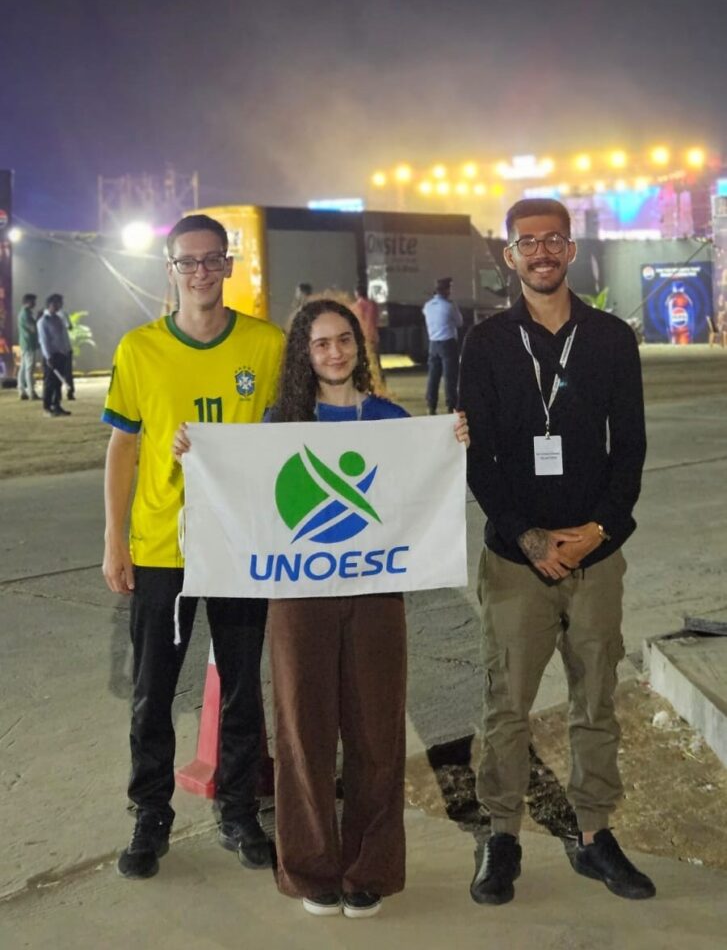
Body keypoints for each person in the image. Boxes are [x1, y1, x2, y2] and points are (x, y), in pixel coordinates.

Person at [173, 298, 469, 919]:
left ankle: (370, 870)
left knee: (376, 734)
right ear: (304, 355)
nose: (335, 352)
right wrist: (195, 454)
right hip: (298, 599)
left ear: (360, 347)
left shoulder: (388, 418)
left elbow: (420, 490)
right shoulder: (281, 424)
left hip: (375, 596)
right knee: (302, 733)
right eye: (321, 343)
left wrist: (450, 444)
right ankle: (310, 868)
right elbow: (241, 489)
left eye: (344, 340)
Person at [459, 197, 655, 906]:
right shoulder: (486, 343)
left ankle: (595, 833)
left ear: (571, 250)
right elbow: (477, 457)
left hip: (595, 555)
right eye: (526, 242)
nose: (540, 252)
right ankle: (501, 835)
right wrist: (529, 538)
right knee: (506, 704)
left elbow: (629, 447)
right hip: (518, 561)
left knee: (594, 698)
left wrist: (599, 530)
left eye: (552, 240)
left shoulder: (609, 338)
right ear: (508, 256)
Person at [102, 213, 285, 880]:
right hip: (161, 546)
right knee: (153, 691)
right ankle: (150, 814)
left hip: (239, 546)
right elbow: (123, 448)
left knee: (241, 689)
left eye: (212, 260)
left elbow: (295, 434)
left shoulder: (266, 345)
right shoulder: (139, 349)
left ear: (228, 265)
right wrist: (114, 539)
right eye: (188, 261)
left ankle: (238, 811)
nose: (201, 272)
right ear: (170, 269)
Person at [422, 276, 463, 414]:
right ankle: (451, 405)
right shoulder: (449, 306)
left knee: (433, 376)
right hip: (448, 343)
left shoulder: (427, 306)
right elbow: (459, 322)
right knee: (450, 376)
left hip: (433, 344)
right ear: (446, 290)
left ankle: (431, 405)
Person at [37, 293, 72, 417]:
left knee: (58, 383)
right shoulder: (43, 321)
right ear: (50, 304)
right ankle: (47, 408)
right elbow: (44, 340)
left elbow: (63, 337)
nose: (59, 306)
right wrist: (48, 356)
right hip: (51, 356)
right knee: (49, 383)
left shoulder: (58, 319)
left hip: (61, 354)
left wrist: (66, 350)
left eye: (60, 303)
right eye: (57, 303)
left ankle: (57, 405)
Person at [17, 292, 40, 400]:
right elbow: (33, 328)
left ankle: (22, 390)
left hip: (25, 343)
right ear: (27, 302)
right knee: (29, 369)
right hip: (29, 343)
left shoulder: (25, 313)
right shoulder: (25, 314)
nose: (35, 303)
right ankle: (31, 392)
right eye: (33, 301)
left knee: (23, 368)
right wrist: (39, 318)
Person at [351, 281, 380, 362]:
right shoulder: (373, 305)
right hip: (373, 335)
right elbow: (377, 319)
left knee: (363, 358)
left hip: (360, 336)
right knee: (375, 358)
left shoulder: (354, 307)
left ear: (357, 293)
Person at [57, 304, 75, 400]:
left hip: (56, 349)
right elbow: (70, 326)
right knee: (67, 372)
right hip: (64, 347)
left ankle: (57, 394)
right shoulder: (63, 313)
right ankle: (69, 392)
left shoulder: (46, 316)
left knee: (56, 373)